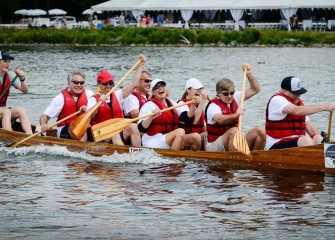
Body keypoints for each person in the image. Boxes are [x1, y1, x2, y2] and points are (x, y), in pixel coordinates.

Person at [87, 54, 146, 146]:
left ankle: (136, 154)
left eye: (111, 83)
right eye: (105, 83)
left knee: (134, 126)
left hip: (118, 129)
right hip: (100, 133)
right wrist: (99, 103)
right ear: (98, 84)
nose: (108, 86)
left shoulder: (118, 95)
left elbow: (134, 84)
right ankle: (122, 158)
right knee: (114, 135)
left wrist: (140, 65)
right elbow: (88, 115)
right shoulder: (94, 99)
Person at [205, 64, 266, 152]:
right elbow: (220, 119)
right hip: (215, 146)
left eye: (232, 93)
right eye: (226, 94)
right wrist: (236, 114)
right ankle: (238, 161)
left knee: (260, 131)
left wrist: (249, 74)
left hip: (235, 139)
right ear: (218, 93)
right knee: (234, 131)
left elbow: (255, 89)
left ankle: (254, 158)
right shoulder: (213, 106)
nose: (230, 96)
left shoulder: (237, 97)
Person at [265, 76, 335, 150]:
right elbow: (296, 111)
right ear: (284, 91)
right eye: (295, 93)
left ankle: (322, 159)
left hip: (296, 141)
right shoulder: (277, 99)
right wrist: (324, 107)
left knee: (318, 138)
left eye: (299, 92)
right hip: (276, 143)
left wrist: (322, 141)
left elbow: (308, 125)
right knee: (306, 140)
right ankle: (311, 160)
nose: (299, 95)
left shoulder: (298, 102)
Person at [138, 79, 202, 150]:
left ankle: (190, 158)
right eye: (156, 87)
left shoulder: (173, 104)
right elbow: (141, 128)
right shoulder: (148, 105)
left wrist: (193, 105)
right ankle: (173, 159)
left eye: (162, 86)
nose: (160, 88)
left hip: (168, 138)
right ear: (153, 92)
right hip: (152, 140)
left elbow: (187, 119)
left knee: (196, 137)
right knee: (180, 132)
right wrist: (151, 116)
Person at [40, 70, 94, 140]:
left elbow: (97, 111)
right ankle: (82, 148)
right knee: (80, 128)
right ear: (69, 83)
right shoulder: (60, 98)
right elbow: (45, 116)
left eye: (81, 83)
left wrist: (88, 109)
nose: (79, 85)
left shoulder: (89, 95)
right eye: (75, 82)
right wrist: (44, 124)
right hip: (65, 130)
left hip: (86, 128)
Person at [0, 50, 32, 134]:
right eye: (5, 61)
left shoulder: (10, 75)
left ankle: (31, 137)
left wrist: (22, 78)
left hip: (2, 110)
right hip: (4, 111)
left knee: (21, 110)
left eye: (9, 61)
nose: (8, 64)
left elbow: (25, 90)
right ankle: (10, 137)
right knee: (7, 111)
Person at [178, 78, 209, 151]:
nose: (199, 90)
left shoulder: (198, 105)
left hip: (200, 134)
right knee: (197, 136)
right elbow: (194, 122)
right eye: (196, 88)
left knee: (213, 133)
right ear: (188, 90)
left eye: (200, 88)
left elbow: (205, 125)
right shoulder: (181, 104)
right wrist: (203, 101)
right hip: (189, 137)